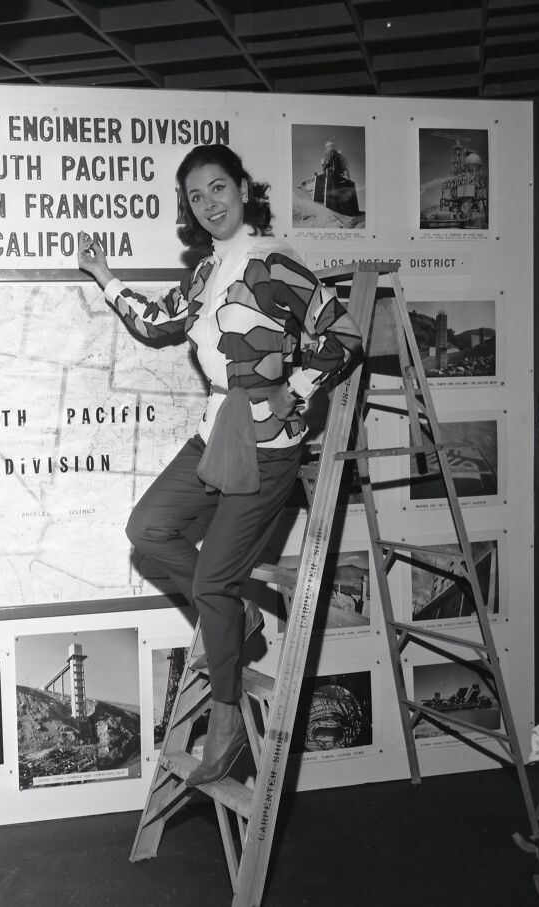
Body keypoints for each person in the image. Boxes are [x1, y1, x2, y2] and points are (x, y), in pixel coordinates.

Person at [77, 144, 362, 787]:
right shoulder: (207, 271)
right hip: (216, 434)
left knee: (211, 583)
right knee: (148, 528)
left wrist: (297, 389)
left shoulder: (275, 262)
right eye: (196, 196)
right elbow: (157, 323)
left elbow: (343, 335)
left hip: (268, 447)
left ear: (243, 189)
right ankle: (236, 615)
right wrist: (103, 273)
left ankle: (227, 718)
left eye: (218, 188)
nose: (209, 203)